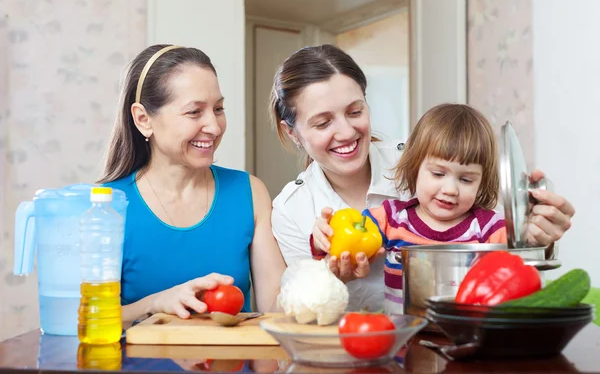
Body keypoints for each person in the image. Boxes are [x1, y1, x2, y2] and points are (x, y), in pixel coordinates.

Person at [270, 44, 575, 312]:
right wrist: (327, 271)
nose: (347, 132)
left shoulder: (426, 161)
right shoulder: (291, 208)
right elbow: (301, 306)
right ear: (291, 132)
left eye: (355, 111)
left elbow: (501, 242)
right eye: (323, 122)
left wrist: (536, 235)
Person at [99, 44, 286, 322]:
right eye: (194, 112)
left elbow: (275, 309)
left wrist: (325, 274)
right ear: (143, 119)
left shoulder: (249, 192)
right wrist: (157, 302)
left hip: (233, 364)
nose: (214, 126)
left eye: (219, 108)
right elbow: (87, 320)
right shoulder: (105, 207)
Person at [314, 103, 508, 314]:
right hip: (403, 337)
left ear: (482, 182)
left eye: (466, 179)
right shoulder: (392, 217)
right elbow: (347, 242)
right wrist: (323, 237)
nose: (450, 189)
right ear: (416, 168)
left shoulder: (490, 227)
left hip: (468, 337)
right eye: (438, 174)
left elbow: (523, 261)